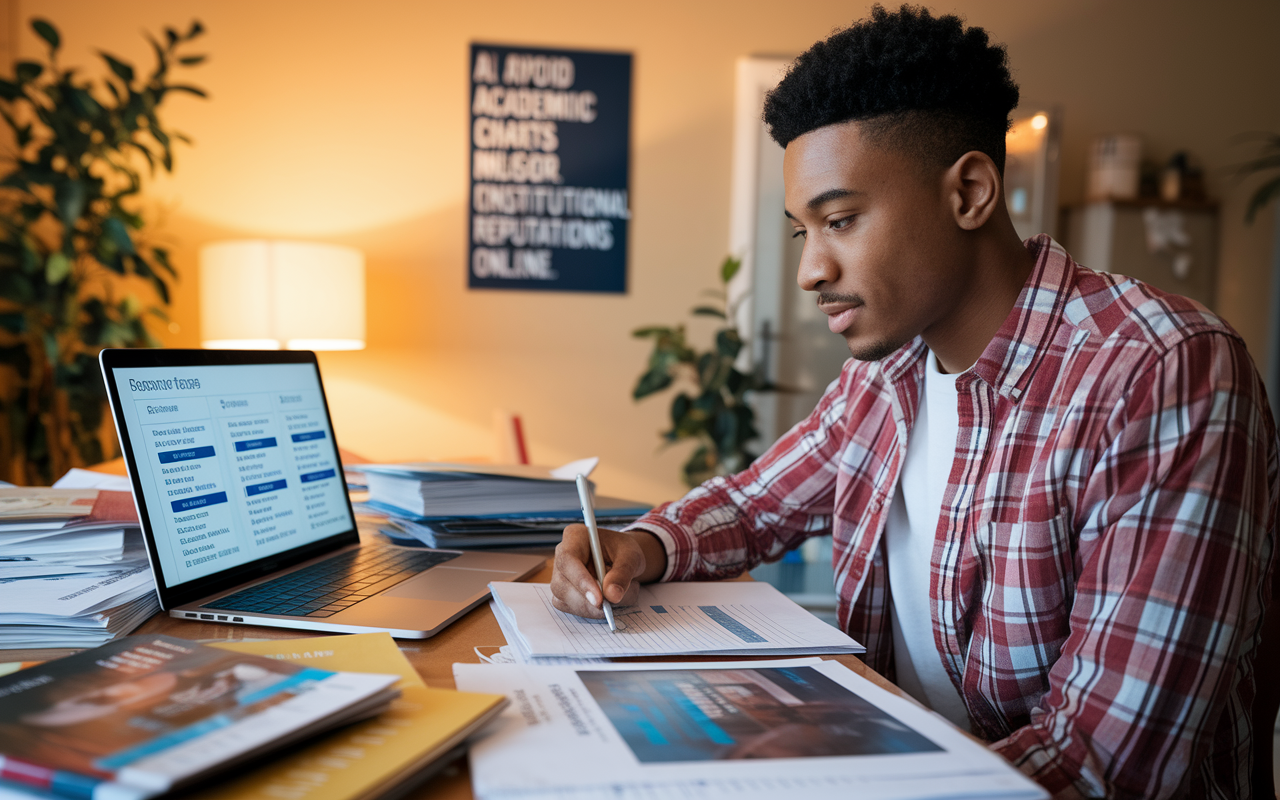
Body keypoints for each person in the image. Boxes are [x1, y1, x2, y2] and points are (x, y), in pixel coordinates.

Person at [550, 5, 1279, 798]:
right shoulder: (886, 373)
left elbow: (1102, 764)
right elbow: (755, 506)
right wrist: (641, 545)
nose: (810, 272)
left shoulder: (1162, 373)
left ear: (969, 191)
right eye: (803, 232)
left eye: (841, 220)